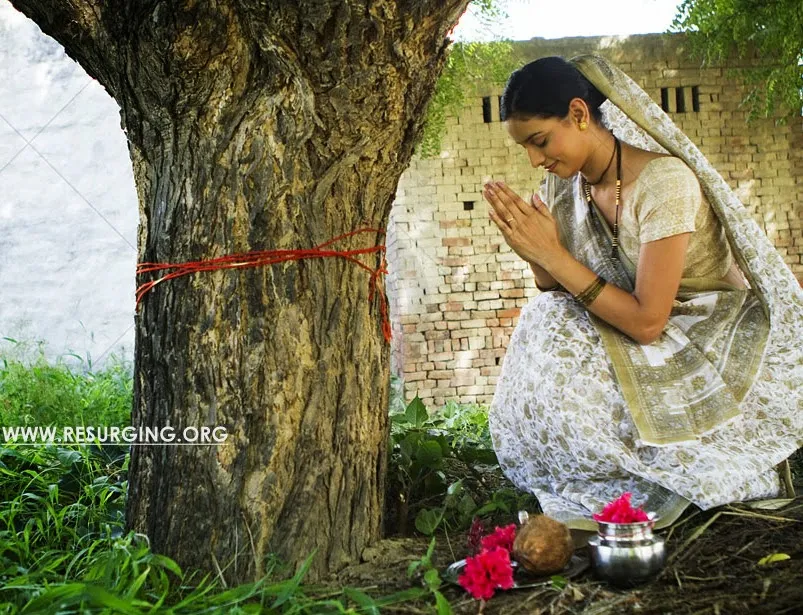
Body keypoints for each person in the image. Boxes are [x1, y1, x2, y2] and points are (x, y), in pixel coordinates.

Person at [482, 55, 803, 530]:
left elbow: (650, 323)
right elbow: (553, 284)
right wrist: (531, 245)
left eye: (540, 141)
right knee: (544, 316)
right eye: (526, 147)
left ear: (578, 114)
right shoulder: (564, 185)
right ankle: (591, 472)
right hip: (631, 320)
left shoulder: (663, 183)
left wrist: (553, 255)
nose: (535, 159)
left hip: (702, 327)